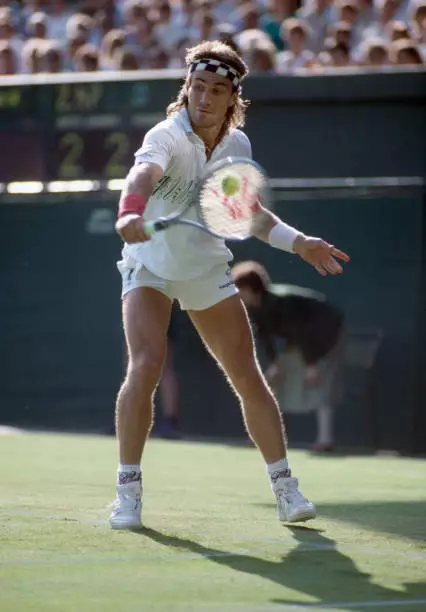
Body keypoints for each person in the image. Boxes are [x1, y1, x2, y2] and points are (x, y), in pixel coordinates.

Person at [111, 40, 350, 530]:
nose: (204, 96)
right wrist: (131, 212)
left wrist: (299, 240)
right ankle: (128, 491)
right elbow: (141, 174)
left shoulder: (237, 147)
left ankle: (286, 487)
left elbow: (246, 215)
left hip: (203, 269)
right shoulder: (167, 134)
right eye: (198, 86)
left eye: (217, 89)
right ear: (187, 88)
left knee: (248, 375)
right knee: (146, 365)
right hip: (150, 267)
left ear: (231, 98)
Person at [231, 261, 346, 453]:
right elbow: (265, 335)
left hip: (329, 332)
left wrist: (311, 365)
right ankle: (266, 436)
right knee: (272, 382)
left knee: (319, 382)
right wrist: (275, 363)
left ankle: (325, 440)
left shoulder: (281, 302)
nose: (238, 296)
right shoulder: (256, 308)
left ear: (250, 289)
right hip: (303, 339)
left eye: (240, 290)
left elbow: (303, 330)